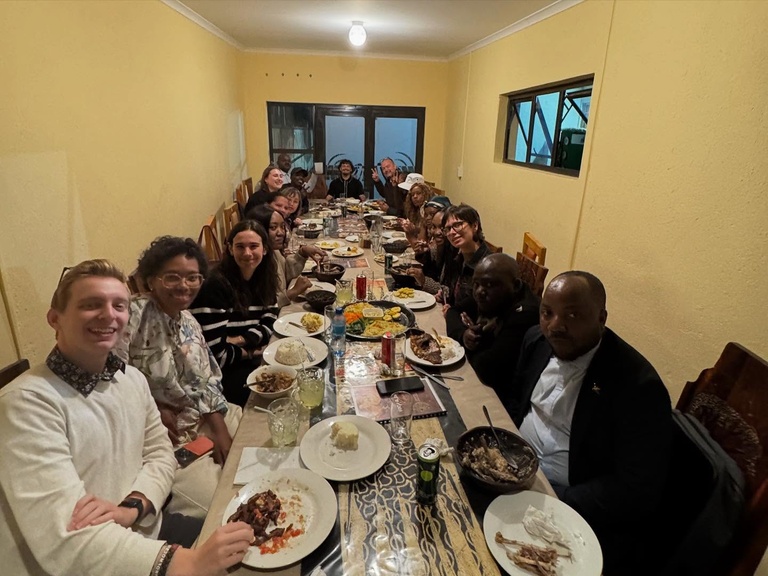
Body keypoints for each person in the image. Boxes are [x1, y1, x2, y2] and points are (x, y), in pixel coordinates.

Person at [0, 259, 253, 576]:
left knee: (254, 542)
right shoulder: (26, 403)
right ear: (55, 319)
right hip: (88, 563)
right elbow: (66, 541)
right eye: (90, 305)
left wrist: (133, 507)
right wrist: (189, 562)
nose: (108, 315)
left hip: (145, 528)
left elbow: (161, 454)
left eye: (119, 305)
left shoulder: (130, 378)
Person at [508, 271, 672, 576]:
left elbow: (636, 488)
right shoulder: (536, 340)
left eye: (573, 314)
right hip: (512, 470)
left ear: (602, 318)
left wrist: (552, 496)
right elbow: (518, 403)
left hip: (569, 504)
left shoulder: (638, 386)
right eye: (548, 313)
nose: (555, 325)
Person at [115, 237, 242, 519]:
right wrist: (151, 409)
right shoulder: (132, 315)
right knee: (222, 507)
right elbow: (110, 377)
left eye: (193, 277)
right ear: (151, 279)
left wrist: (220, 431)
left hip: (206, 417)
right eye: (172, 277)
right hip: (167, 440)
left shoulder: (189, 321)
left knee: (263, 446)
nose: (184, 286)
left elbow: (205, 380)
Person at [190, 221, 279, 406]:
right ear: (230, 249)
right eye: (240, 247)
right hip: (224, 374)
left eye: (254, 246)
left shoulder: (264, 276)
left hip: (247, 356)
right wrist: (253, 351)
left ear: (265, 249)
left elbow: (271, 318)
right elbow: (216, 355)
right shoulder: (215, 286)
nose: (247, 253)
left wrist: (241, 339)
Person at [445, 253, 539, 394]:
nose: (479, 292)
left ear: (516, 285)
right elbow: (454, 311)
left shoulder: (525, 314)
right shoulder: (489, 293)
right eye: (476, 284)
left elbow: (487, 370)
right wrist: (464, 334)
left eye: (489, 285)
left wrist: (476, 343)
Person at [247, 204, 326, 306]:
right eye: (273, 227)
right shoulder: (254, 262)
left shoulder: (274, 251)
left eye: (282, 226)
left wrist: (302, 253)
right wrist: (293, 292)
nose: (281, 233)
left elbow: (286, 274)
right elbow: (261, 305)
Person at [439, 203, 492, 309]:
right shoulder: (458, 258)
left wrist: (454, 312)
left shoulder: (488, 266)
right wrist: (445, 297)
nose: (452, 232)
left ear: (475, 226)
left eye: (457, 225)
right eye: (448, 229)